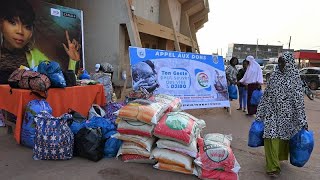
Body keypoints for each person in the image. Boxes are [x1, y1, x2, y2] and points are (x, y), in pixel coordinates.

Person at [0, 0, 80, 84]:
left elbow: (61, 81)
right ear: (1, 23)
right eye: (13, 22)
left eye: (27, 27)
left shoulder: (36, 57)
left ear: (32, 32)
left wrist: (73, 60)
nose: (20, 31)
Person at [255, 52, 308, 177]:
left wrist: (303, 121)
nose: (280, 65)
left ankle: (277, 158)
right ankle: (273, 167)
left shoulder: (295, 79)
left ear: (289, 63)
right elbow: (266, 96)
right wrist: (260, 114)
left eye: (283, 62)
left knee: (282, 139)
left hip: (287, 116)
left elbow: (299, 101)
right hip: (271, 114)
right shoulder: (274, 76)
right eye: (279, 62)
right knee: (270, 137)